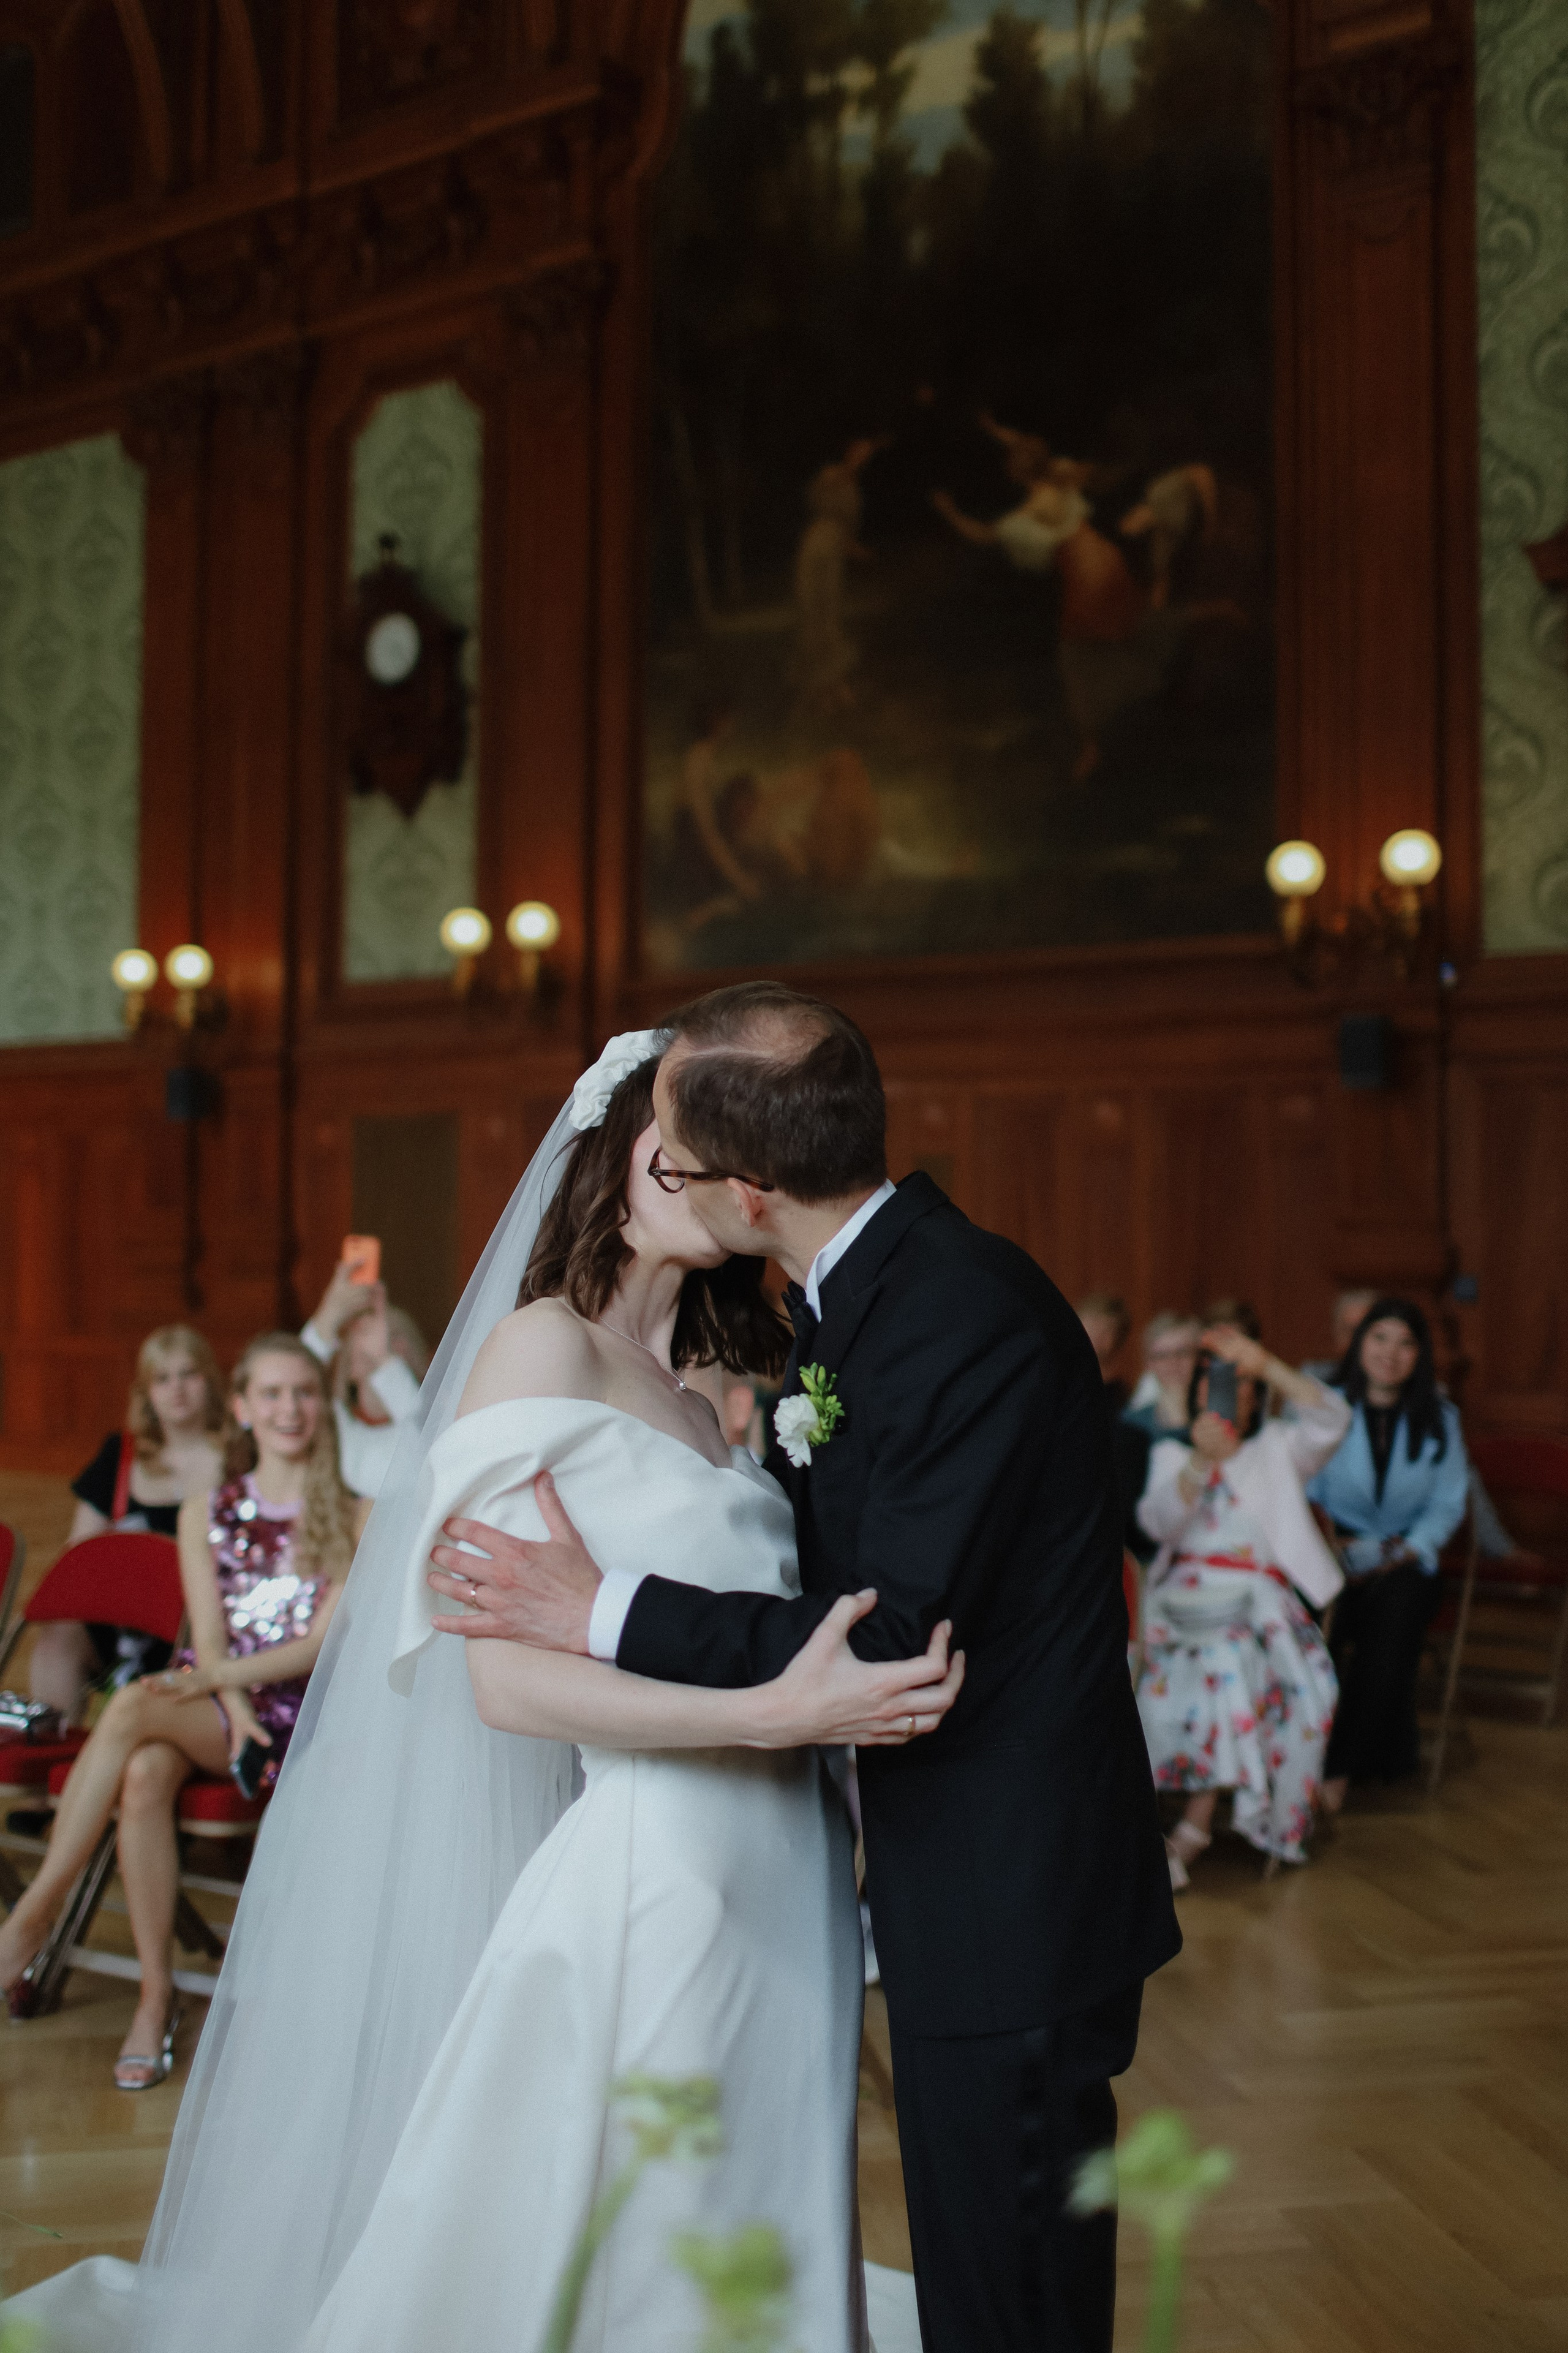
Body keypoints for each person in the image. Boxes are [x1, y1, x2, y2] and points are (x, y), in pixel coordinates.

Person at [4, 1033, 958, 2353]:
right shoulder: (537, 1350)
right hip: (662, 1860)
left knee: (756, 2200)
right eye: (688, 1129)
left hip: (789, 1862)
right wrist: (771, 1717)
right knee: (639, 2226)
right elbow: (507, 1683)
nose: (719, 1162)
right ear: (626, 1149)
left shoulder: (714, 1396)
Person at [432, 984, 1181, 2353]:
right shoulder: (850, 1303)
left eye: (673, 1147)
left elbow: (883, 1636)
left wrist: (605, 1607)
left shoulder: (949, 1312)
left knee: (1005, 2290)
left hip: (1004, 1896)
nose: (651, 1163)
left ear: (750, 1188)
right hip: (821, 1873)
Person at [0, 1333, 365, 2088]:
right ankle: (154, 1992)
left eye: (302, 1392)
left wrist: (221, 1686)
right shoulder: (209, 1508)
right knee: (142, 1771)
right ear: (241, 1407)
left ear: (321, 1408)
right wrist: (223, 1691)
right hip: (218, 1701)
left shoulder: (356, 1512)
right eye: (271, 1394)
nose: (288, 1409)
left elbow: (317, 1648)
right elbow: (203, 1637)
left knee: (136, 1711)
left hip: (297, 1712)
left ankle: (35, 1916)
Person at [1136, 1326, 1349, 1884]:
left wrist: (1266, 1360)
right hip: (1177, 1601)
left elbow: (1333, 1420)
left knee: (1228, 1665)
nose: (1228, 1394)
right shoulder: (1170, 1451)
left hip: (1256, 1602)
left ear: (1256, 1397)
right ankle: (1134, 1827)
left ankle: (1195, 1827)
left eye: (1243, 1385)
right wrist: (1200, 1464)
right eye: (1217, 1384)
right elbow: (1155, 1524)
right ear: (1199, 1393)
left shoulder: (1278, 1449)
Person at [1308, 1298, 1469, 1806]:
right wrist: (1329, 1541)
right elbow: (1303, 1486)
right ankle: (1300, 1755)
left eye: (1405, 1343)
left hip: (1406, 1557)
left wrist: (1409, 1549)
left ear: (1418, 1355)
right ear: (1360, 1344)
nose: (1390, 1353)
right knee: (1315, 1635)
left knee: (1389, 1633)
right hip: (1332, 1551)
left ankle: (1338, 1769)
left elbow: (1448, 1503)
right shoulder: (1325, 1405)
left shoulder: (1442, 1416)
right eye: (1380, 1338)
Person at [28, 1326, 225, 1721]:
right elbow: (79, 1557)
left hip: (207, 1621)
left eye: (189, 1374)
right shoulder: (119, 1455)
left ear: (210, 1381)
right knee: (57, 1640)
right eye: (163, 1378)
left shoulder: (241, 1456)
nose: (177, 1389)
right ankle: (50, 1751)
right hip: (125, 1624)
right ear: (147, 1392)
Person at [301, 1263, 428, 1497]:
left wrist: (384, 1360)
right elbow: (297, 1377)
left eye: (396, 1338)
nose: (388, 1345)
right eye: (363, 1335)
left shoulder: (432, 1419)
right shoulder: (337, 1426)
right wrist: (329, 1314)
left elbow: (425, 1442)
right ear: (349, 1367)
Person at [1123, 1313, 1202, 1437]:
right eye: (1162, 1356)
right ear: (1149, 1364)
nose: (1173, 1363)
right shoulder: (1131, 1424)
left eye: (1183, 1352)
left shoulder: (1218, 1417)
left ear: (1199, 1358)